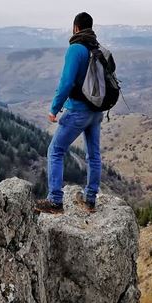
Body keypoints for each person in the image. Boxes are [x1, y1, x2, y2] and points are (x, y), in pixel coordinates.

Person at [35, 12, 104, 214]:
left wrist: (54, 109)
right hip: (96, 111)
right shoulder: (95, 47)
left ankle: (55, 201)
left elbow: (66, 83)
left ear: (75, 28)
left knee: (55, 151)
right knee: (94, 155)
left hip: (78, 111)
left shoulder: (76, 48)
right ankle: (90, 200)